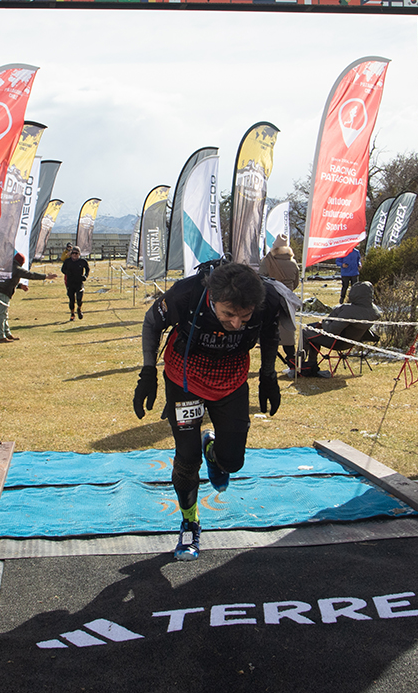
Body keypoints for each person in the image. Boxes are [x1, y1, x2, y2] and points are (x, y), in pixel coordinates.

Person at [134, 261, 282, 561]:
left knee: (233, 462)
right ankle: (190, 523)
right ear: (212, 298)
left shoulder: (267, 299)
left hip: (231, 380)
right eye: (228, 314)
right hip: (185, 378)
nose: (236, 324)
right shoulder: (186, 294)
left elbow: (270, 334)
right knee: (187, 459)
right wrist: (148, 373)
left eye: (245, 316)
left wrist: (269, 376)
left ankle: (213, 451)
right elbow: (152, 322)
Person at [299, 281, 380, 376]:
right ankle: (310, 364)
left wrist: (323, 322)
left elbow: (331, 330)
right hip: (351, 342)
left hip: (337, 342)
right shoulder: (374, 311)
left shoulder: (348, 311)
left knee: (306, 331)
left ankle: (299, 364)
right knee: (312, 329)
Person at [258, 238, 301, 374]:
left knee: (269, 332)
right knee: (288, 334)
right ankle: (292, 363)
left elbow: (260, 280)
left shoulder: (267, 262)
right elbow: (296, 282)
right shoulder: (293, 263)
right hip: (287, 301)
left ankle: (268, 366)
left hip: (271, 300)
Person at [0, 253, 56, 342]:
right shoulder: (16, 268)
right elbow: (31, 275)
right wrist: (45, 276)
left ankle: (7, 333)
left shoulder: (8, 266)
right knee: (1, 315)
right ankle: (0, 336)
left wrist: (19, 285)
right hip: (3, 293)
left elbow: (9, 280)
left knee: (4, 314)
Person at [62, 246, 89, 319]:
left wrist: (85, 276)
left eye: (76, 253)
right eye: (73, 253)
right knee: (71, 300)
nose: (74, 255)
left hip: (79, 282)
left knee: (79, 299)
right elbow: (63, 269)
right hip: (70, 282)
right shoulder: (67, 261)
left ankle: (79, 308)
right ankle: (72, 314)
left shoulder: (82, 261)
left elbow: (87, 269)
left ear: (79, 254)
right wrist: (67, 273)